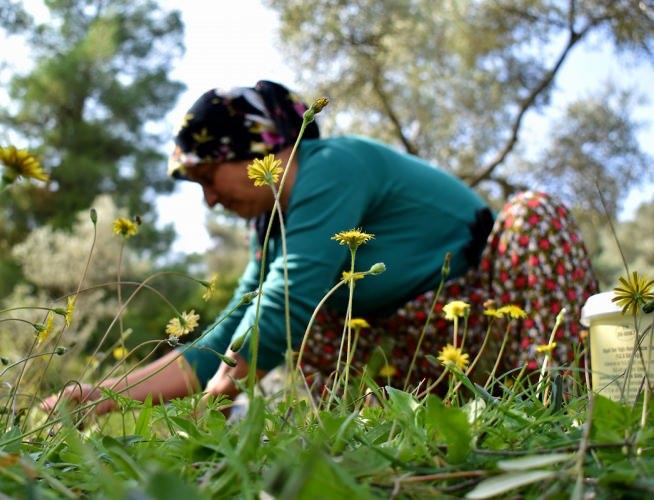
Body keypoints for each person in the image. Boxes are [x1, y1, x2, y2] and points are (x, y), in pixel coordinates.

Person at [41, 80, 597, 414]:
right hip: (418, 365)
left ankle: (558, 399)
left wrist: (226, 388)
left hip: (490, 329)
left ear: (265, 149)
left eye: (209, 175)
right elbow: (229, 334)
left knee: (534, 212)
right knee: (298, 321)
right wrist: (104, 393)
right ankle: (390, 426)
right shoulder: (270, 226)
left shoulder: (333, 165)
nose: (208, 199)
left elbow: (288, 299)